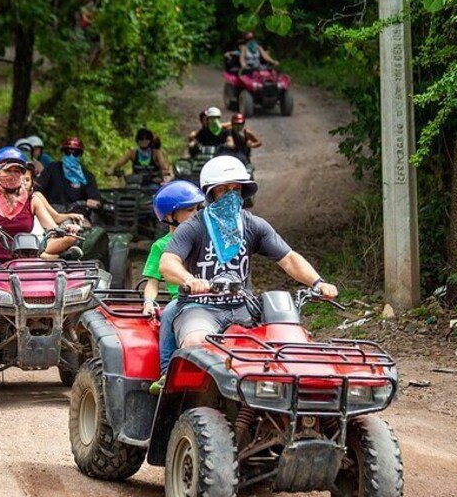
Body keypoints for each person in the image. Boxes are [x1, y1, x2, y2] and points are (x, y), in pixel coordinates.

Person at [159, 155, 338, 355]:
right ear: (210, 194)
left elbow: (289, 258)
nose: (231, 195)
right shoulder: (193, 227)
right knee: (196, 342)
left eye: (236, 189)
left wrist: (318, 282)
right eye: (223, 190)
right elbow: (168, 263)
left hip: (245, 306)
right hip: (200, 307)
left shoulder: (254, 225)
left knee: (286, 341)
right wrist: (190, 279)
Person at [0, 147, 78, 263]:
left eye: (17, 171)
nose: (12, 175)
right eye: (7, 170)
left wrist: (66, 231)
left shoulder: (33, 200)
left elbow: (51, 228)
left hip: (26, 261)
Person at [139, 181, 205, 394]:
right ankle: (167, 371)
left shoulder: (205, 238)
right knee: (168, 313)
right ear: (170, 216)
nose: (196, 214)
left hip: (212, 297)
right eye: (189, 210)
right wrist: (149, 301)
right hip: (184, 299)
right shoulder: (161, 246)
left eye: (198, 209)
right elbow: (152, 282)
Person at [21, 169, 86, 259]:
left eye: (27, 180)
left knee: (72, 237)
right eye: (20, 179)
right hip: (19, 244)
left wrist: (68, 227)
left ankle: (55, 255)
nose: (23, 183)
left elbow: (55, 220)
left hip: (43, 241)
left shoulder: (35, 198)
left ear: (32, 182)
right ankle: (59, 257)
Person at [36, 137, 102, 212]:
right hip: (52, 213)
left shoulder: (87, 176)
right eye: (68, 152)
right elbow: (38, 189)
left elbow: (96, 201)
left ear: (80, 155)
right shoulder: (52, 169)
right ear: (63, 153)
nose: (71, 156)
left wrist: (86, 203)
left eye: (75, 153)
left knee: (86, 223)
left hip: (78, 215)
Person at [106, 127, 171, 185]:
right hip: (136, 182)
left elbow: (164, 167)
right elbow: (119, 162)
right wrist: (112, 168)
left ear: (150, 140)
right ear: (137, 140)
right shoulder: (133, 153)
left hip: (152, 183)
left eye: (147, 138)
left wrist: (163, 173)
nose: (144, 141)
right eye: (141, 138)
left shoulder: (156, 153)